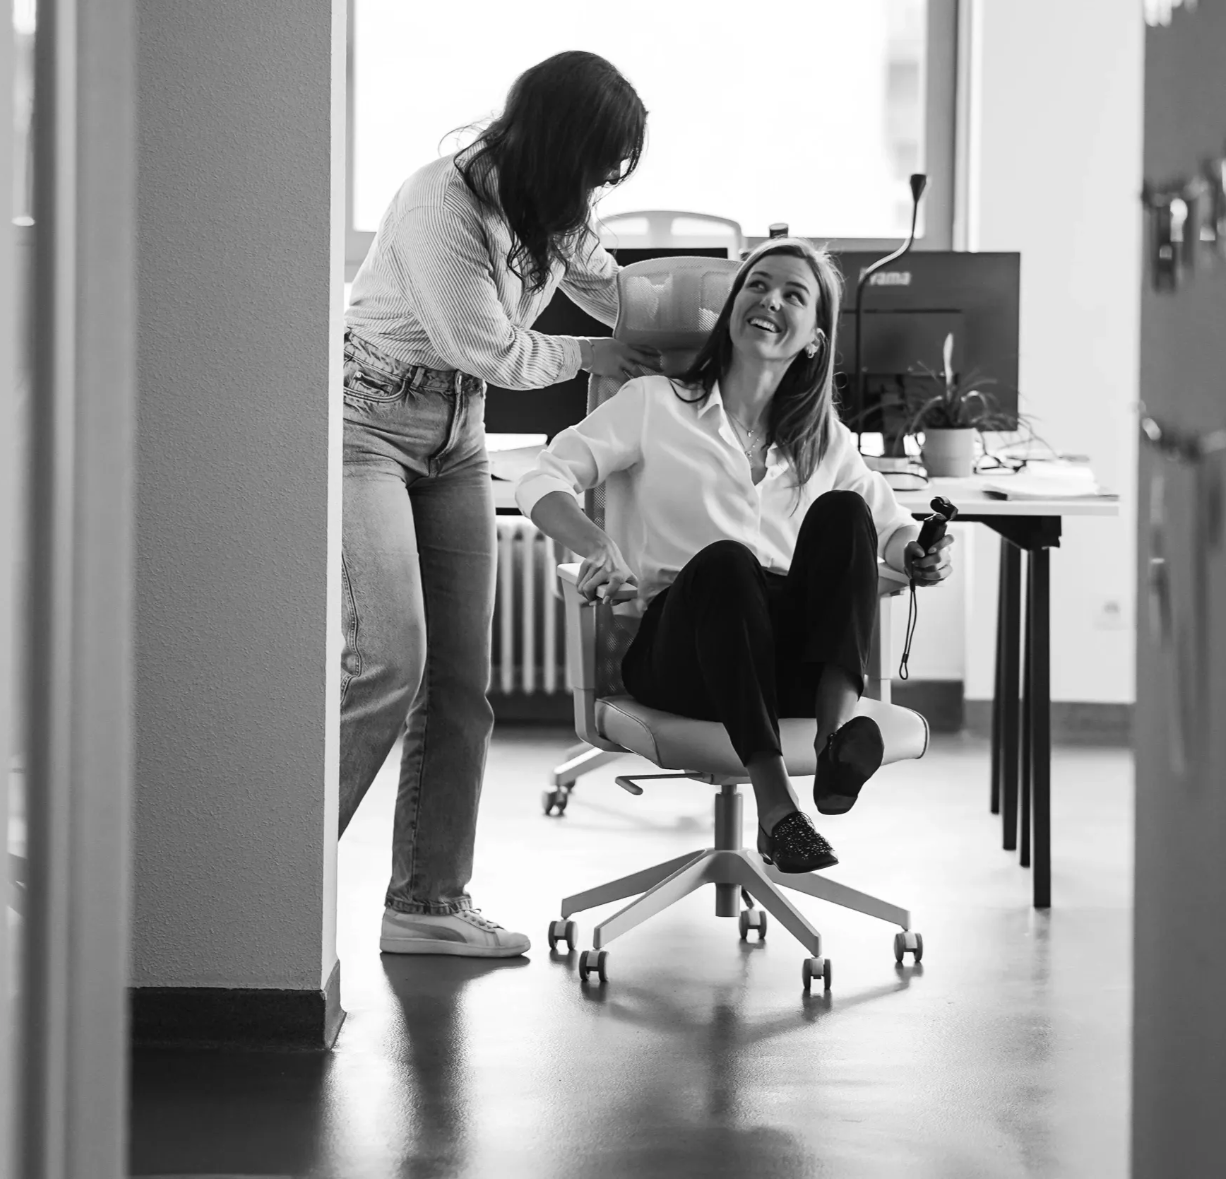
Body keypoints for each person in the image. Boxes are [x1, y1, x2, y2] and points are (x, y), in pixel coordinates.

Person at [341, 51, 661, 958]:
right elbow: (493, 349)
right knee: (387, 665)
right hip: (367, 424)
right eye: (601, 164)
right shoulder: (442, 204)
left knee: (459, 687)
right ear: (557, 146)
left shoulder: (550, 207)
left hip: (460, 441)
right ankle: (265, 896)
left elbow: (615, 289)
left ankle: (427, 903)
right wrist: (595, 359)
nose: (603, 185)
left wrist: (726, 305)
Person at [517, 237, 954, 875]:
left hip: (784, 663)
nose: (770, 300)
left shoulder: (822, 439)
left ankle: (835, 745)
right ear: (732, 309)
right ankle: (779, 808)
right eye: (758, 285)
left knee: (845, 513)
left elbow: (889, 528)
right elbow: (545, 477)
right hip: (681, 654)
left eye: (793, 295)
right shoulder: (654, 404)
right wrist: (595, 543)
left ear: (814, 338)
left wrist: (917, 553)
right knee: (727, 563)